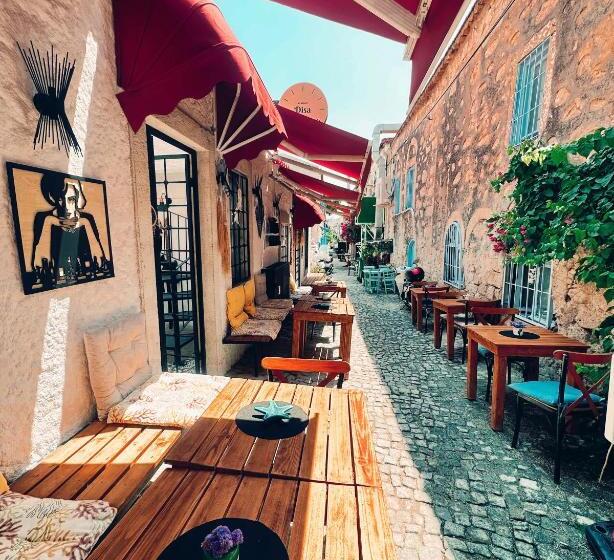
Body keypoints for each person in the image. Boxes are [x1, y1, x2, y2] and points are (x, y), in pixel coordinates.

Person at [31, 171, 107, 287]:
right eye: (61, 199)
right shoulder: (44, 219)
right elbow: (39, 264)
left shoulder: (86, 219)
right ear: (55, 199)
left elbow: (100, 259)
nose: (82, 203)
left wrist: (84, 224)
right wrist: (50, 222)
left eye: (73, 198)